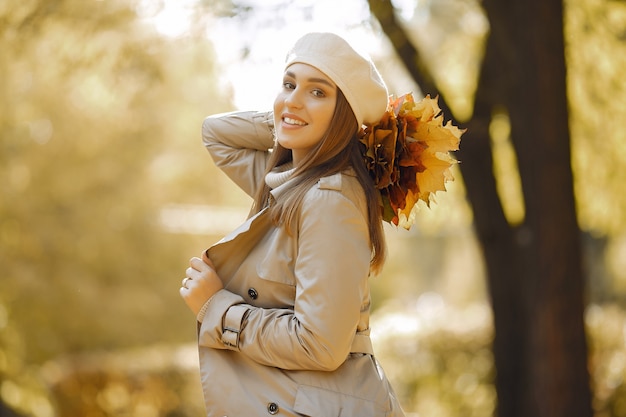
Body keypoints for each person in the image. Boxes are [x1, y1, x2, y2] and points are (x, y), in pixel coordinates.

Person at [180, 32, 406, 416]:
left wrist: (218, 309)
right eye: (289, 84)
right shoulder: (291, 184)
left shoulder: (329, 200)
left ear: (344, 115)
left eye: (318, 92)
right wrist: (293, 116)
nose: (294, 97)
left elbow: (320, 344)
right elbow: (216, 135)